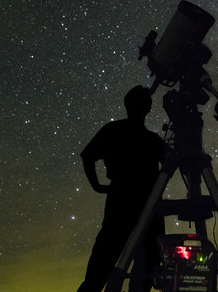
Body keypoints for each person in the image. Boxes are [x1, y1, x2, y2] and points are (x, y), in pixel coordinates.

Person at [77, 85, 168, 292]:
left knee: (125, 266)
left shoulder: (118, 131)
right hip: (139, 205)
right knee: (105, 265)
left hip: (133, 204)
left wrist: (98, 186)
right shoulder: (149, 139)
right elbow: (88, 156)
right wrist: (97, 186)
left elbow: (88, 156)